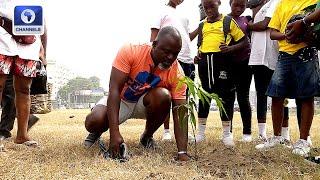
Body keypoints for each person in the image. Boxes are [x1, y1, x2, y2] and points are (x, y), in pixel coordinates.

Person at [83, 26, 190, 161]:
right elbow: (114, 89)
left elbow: (181, 111)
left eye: (175, 53)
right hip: (121, 99)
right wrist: (114, 134)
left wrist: (182, 152)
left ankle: (147, 137)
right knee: (94, 121)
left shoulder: (177, 72)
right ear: (154, 45)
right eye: (167, 52)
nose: (171, 58)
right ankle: (97, 132)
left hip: (143, 102)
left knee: (164, 96)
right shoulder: (131, 50)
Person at [255, 0, 320, 157]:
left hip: (306, 53)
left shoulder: (314, 1)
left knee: (306, 97)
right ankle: (277, 138)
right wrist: (287, 35)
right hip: (284, 55)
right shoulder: (282, 4)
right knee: (276, 96)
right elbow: (272, 33)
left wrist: (305, 32)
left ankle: (303, 140)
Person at [194, 0, 248, 146]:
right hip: (205, 64)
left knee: (225, 97)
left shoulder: (227, 21)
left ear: (219, 3)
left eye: (212, 6)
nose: (209, 10)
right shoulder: (202, 25)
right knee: (204, 97)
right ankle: (200, 133)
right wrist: (197, 55)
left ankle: (226, 134)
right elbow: (201, 44)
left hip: (222, 62)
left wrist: (230, 49)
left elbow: (244, 42)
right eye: (206, 7)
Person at [150, 0, 198, 141]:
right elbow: (154, 38)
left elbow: (187, 37)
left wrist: (200, 26)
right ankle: (166, 131)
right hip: (169, 60)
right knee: (166, 96)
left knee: (184, 97)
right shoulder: (161, 11)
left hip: (186, 59)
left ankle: (183, 129)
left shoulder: (183, 15)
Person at [0, 1, 44, 146]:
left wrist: (43, 47)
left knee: (24, 88)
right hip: (2, 34)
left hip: (30, 40)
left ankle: (22, 135)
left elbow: (42, 18)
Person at [247, 0, 279, 141]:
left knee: (278, 96)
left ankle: (283, 134)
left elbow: (265, 24)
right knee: (261, 94)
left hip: (269, 55)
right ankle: (262, 134)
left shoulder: (275, 2)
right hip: (258, 56)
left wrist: (249, 26)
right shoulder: (261, 6)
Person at [229, 0, 253, 142]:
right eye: (235, 5)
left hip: (245, 63)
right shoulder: (224, 20)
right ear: (230, 3)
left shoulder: (248, 20)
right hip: (228, 64)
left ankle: (247, 133)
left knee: (243, 97)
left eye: (242, 6)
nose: (239, 8)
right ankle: (228, 132)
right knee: (229, 98)